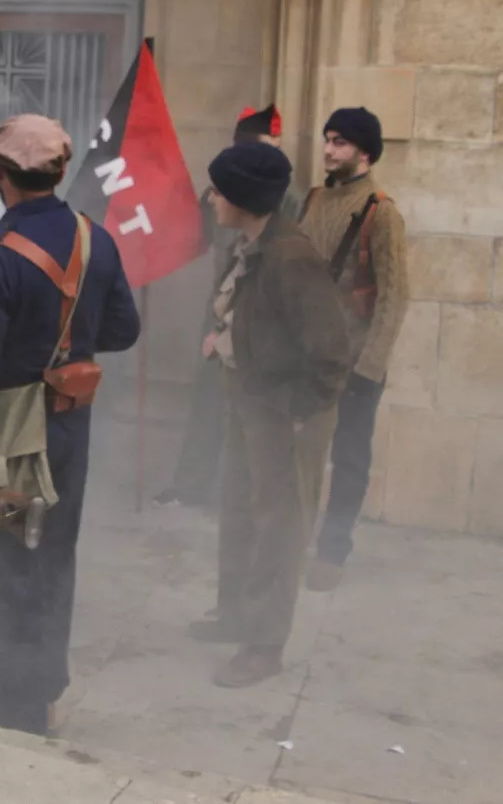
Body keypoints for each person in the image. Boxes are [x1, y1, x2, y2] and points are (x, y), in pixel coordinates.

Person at [0, 114, 141, 736]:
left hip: (3, 440)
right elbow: (124, 330)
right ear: (57, 171)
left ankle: (11, 712)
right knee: (52, 559)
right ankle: (45, 693)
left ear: (1, 174)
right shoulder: (94, 239)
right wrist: (67, 348)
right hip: (69, 433)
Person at [186, 141, 350, 688]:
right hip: (249, 396)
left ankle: (264, 644)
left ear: (247, 198)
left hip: (285, 411)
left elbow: (330, 349)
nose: (211, 198)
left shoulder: (291, 258)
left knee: (280, 525)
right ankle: (235, 613)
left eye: (220, 190)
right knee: (237, 507)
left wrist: (300, 413)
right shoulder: (249, 244)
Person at [154, 105, 301, 508]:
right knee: (207, 401)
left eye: (274, 145)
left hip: (260, 315)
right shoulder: (219, 194)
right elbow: (187, 234)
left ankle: (245, 495)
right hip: (218, 310)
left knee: (253, 407)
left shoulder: (290, 201)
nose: (271, 154)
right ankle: (191, 485)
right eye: (261, 145)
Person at [300, 107, 409, 592]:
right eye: (327, 139)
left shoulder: (382, 212)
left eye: (340, 142)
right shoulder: (314, 199)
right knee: (300, 452)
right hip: (308, 354)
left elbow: (395, 294)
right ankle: (294, 541)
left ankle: (332, 551)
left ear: (365, 151)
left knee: (349, 460)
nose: (328, 149)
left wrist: (371, 366)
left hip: (356, 360)